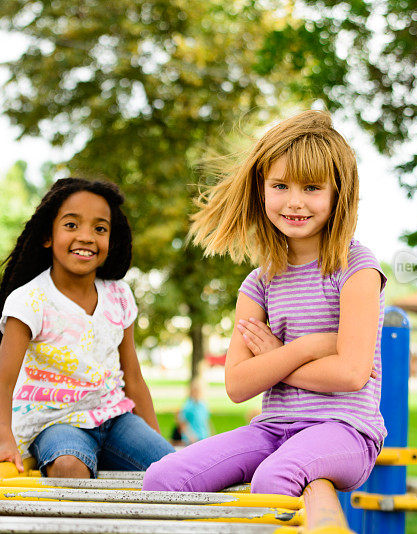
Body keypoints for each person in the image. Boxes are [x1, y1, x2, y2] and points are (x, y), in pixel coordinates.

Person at [143, 110, 387, 497]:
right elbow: (238, 384)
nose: (294, 202)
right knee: (162, 479)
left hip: (345, 431)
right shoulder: (259, 283)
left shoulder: (356, 269)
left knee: (273, 479)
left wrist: (273, 360)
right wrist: (306, 348)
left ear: (338, 192)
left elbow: (351, 374)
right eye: (280, 186)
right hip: (272, 429)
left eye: (311, 188)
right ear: (262, 189)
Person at [0, 178, 174, 478]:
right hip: (56, 423)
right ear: (48, 235)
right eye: (72, 225)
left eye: (100, 229)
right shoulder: (31, 301)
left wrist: (159, 450)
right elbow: (2, 384)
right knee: (70, 467)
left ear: (112, 239)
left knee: (173, 471)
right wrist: (5, 442)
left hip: (116, 418)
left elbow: (134, 378)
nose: (86, 237)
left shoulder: (119, 295)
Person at [170, 379, 212, 446]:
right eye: (195, 390)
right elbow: (182, 423)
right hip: (192, 441)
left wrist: (211, 436)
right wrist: (191, 437)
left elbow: (207, 421)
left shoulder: (202, 405)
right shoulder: (188, 406)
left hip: (203, 437)